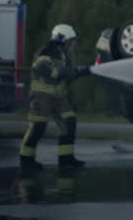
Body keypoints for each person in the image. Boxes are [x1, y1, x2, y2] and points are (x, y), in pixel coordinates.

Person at [19, 24, 88, 172]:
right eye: (70, 41)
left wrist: (83, 71)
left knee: (69, 121)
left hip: (59, 97)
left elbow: (67, 76)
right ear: (60, 39)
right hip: (41, 97)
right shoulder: (45, 53)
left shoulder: (63, 55)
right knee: (38, 128)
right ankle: (26, 161)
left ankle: (66, 159)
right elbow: (52, 73)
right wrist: (74, 71)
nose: (72, 44)